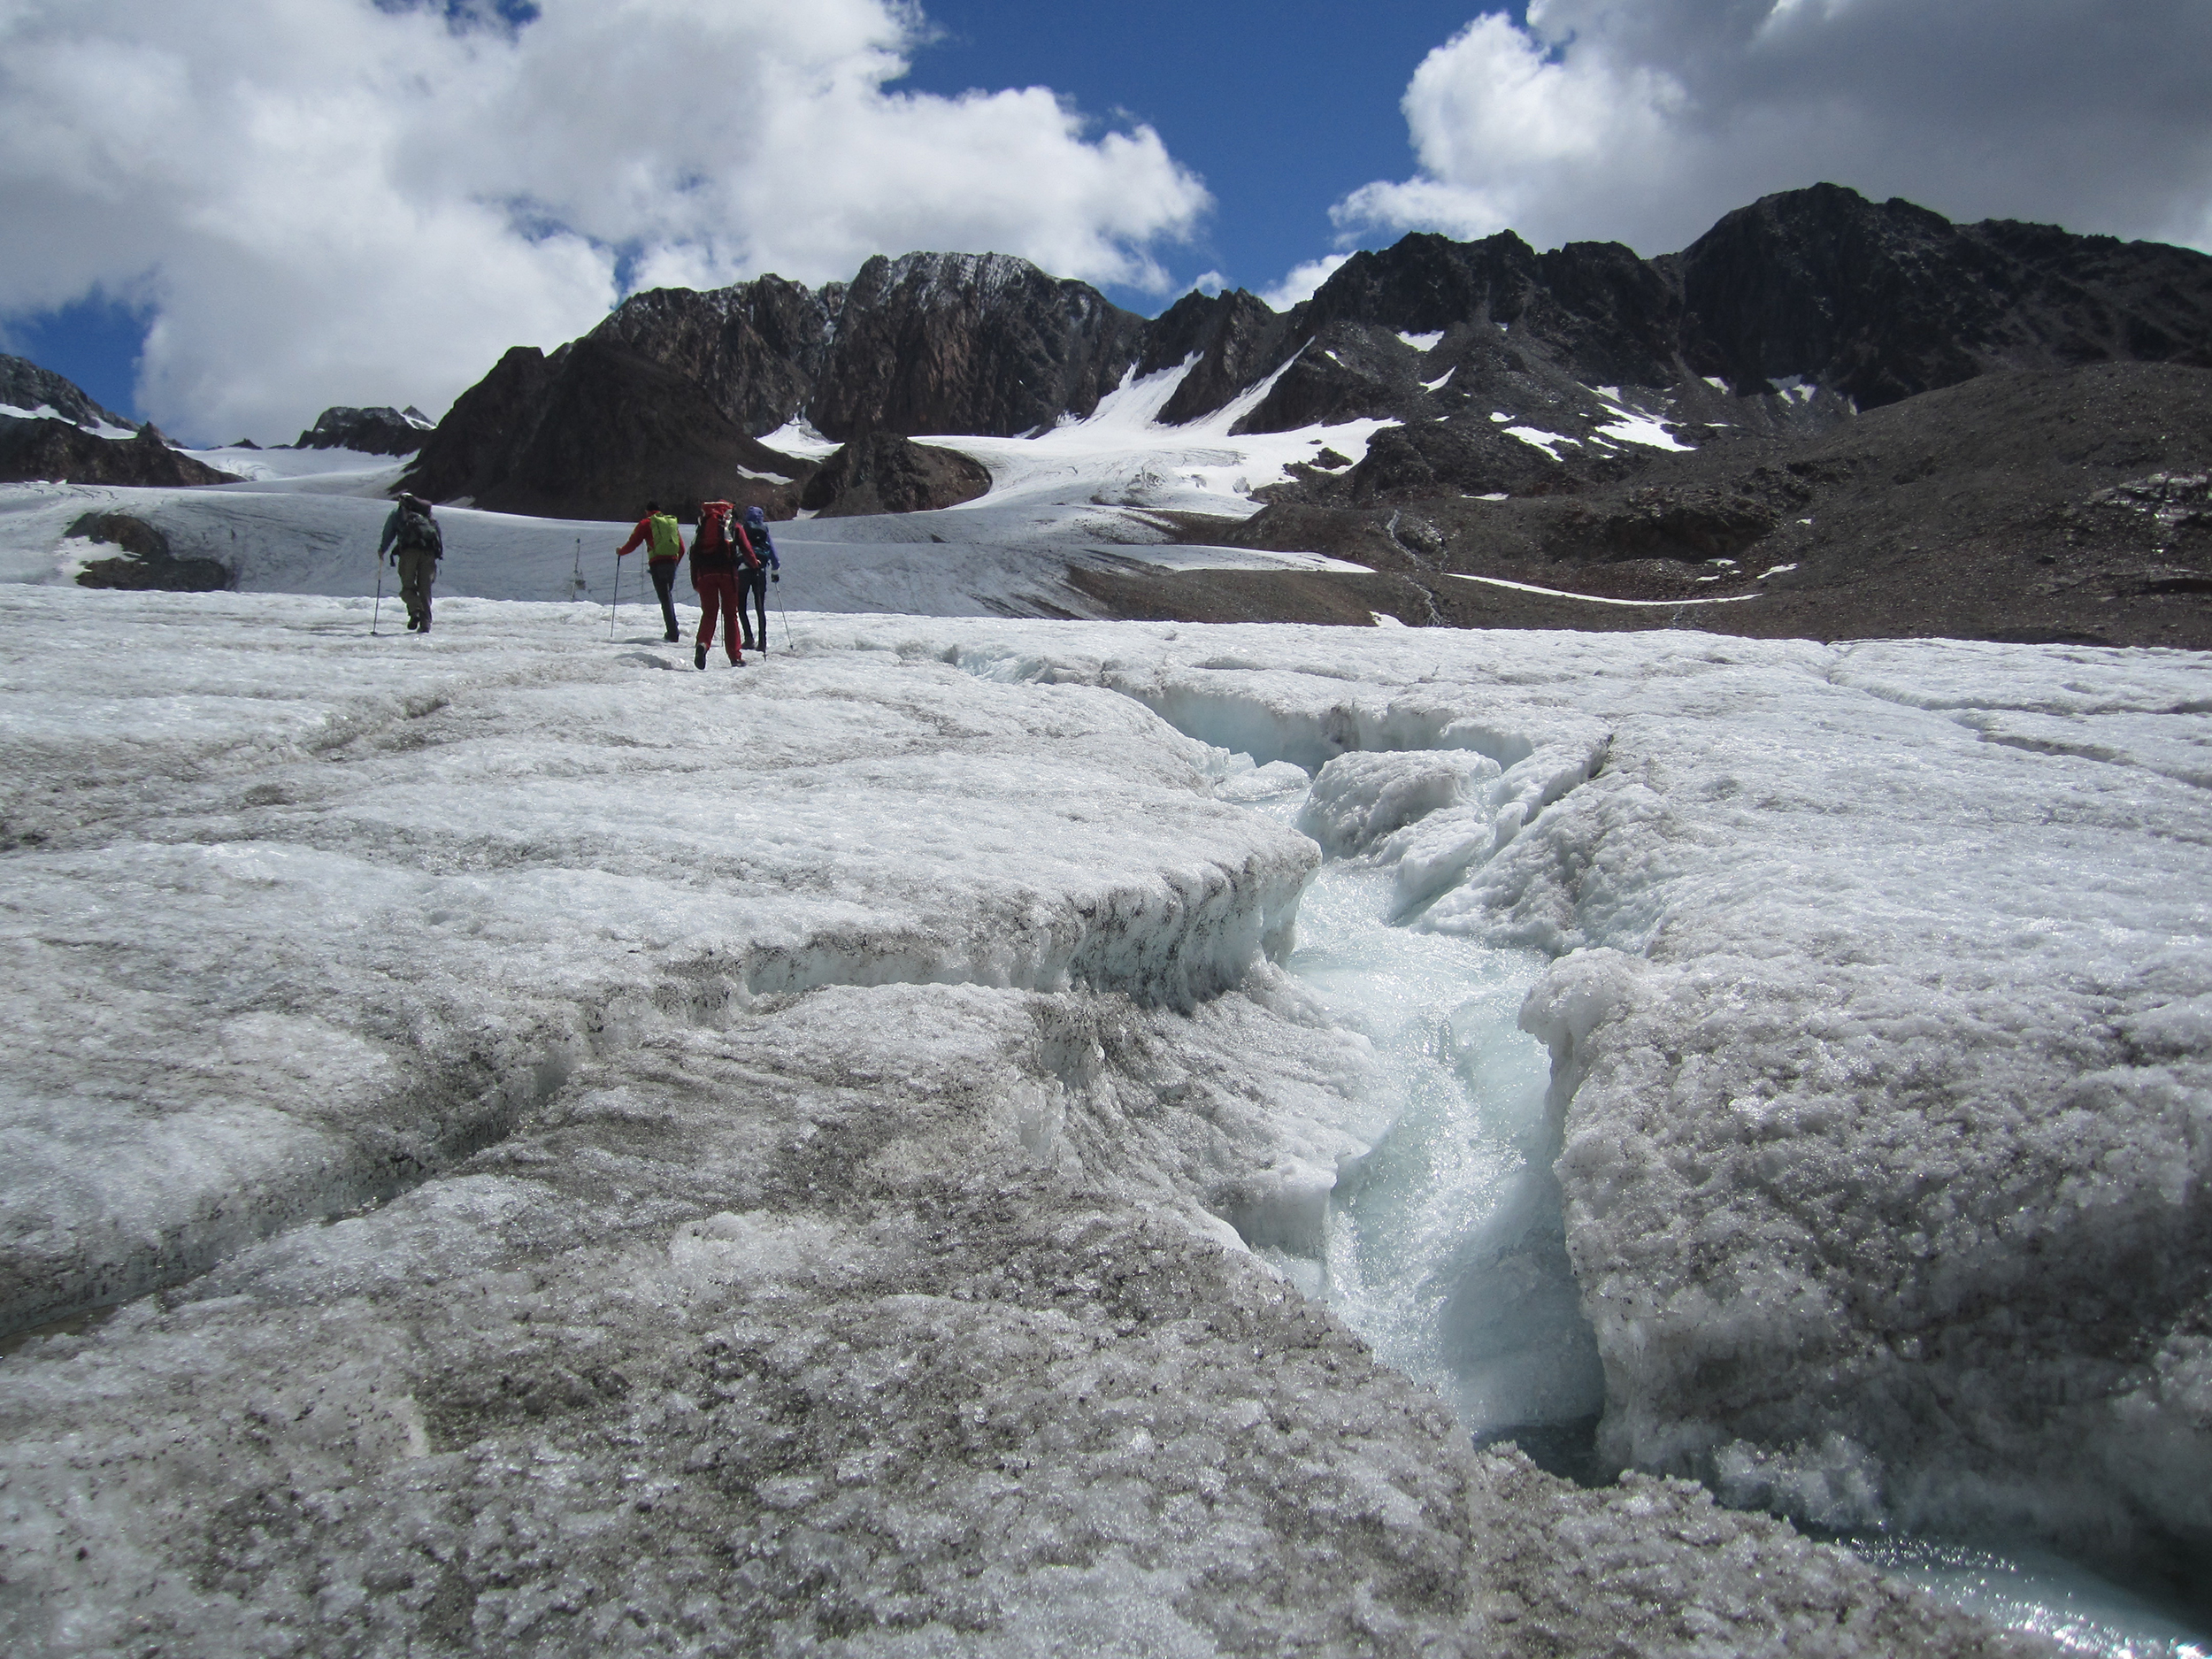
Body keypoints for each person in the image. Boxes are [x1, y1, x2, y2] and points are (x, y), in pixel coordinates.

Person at [615, 501, 687, 641]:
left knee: (665, 598)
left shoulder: (646, 523)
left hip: (657, 563)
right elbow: (682, 548)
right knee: (668, 597)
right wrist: (674, 563)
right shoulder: (669, 524)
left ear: (647, 511)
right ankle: (673, 628)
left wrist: (621, 552)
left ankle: (672, 633)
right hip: (671, 561)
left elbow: (633, 543)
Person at [687, 499, 744, 670]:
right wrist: (755, 563)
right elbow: (746, 548)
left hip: (705, 574)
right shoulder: (731, 525)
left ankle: (703, 644)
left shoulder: (702, 527)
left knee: (709, 613)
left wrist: (696, 581)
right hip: (727, 575)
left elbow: (693, 554)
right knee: (730, 615)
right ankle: (735, 656)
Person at [376, 492, 443, 632]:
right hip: (428, 553)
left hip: (409, 553)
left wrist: (383, 549)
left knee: (407, 586)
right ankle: (425, 623)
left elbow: (389, 531)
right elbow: (436, 531)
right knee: (425, 589)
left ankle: (415, 610)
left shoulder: (398, 513)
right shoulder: (426, 513)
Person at [737, 503, 781, 653]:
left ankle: (749, 638)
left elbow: (737, 547)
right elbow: (772, 552)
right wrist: (775, 570)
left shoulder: (743, 529)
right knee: (759, 607)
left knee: (741, 605)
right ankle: (762, 641)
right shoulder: (764, 530)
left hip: (744, 569)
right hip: (760, 571)